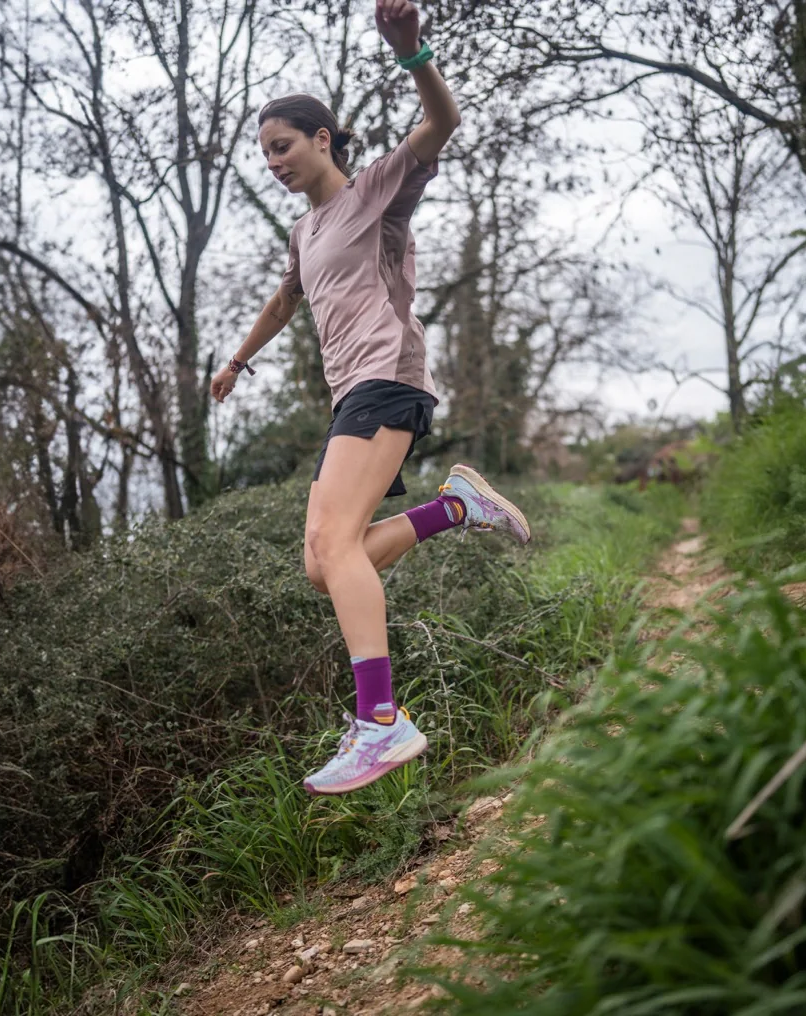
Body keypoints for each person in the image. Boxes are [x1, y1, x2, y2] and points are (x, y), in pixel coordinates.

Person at [210, 0, 530, 796]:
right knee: (323, 562)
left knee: (332, 540)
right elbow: (285, 300)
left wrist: (412, 52)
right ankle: (454, 509)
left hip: (388, 377)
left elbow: (442, 123)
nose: (273, 162)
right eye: (264, 153)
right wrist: (238, 362)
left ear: (322, 138)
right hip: (351, 393)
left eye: (282, 146)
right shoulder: (305, 232)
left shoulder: (376, 192)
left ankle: (381, 720)